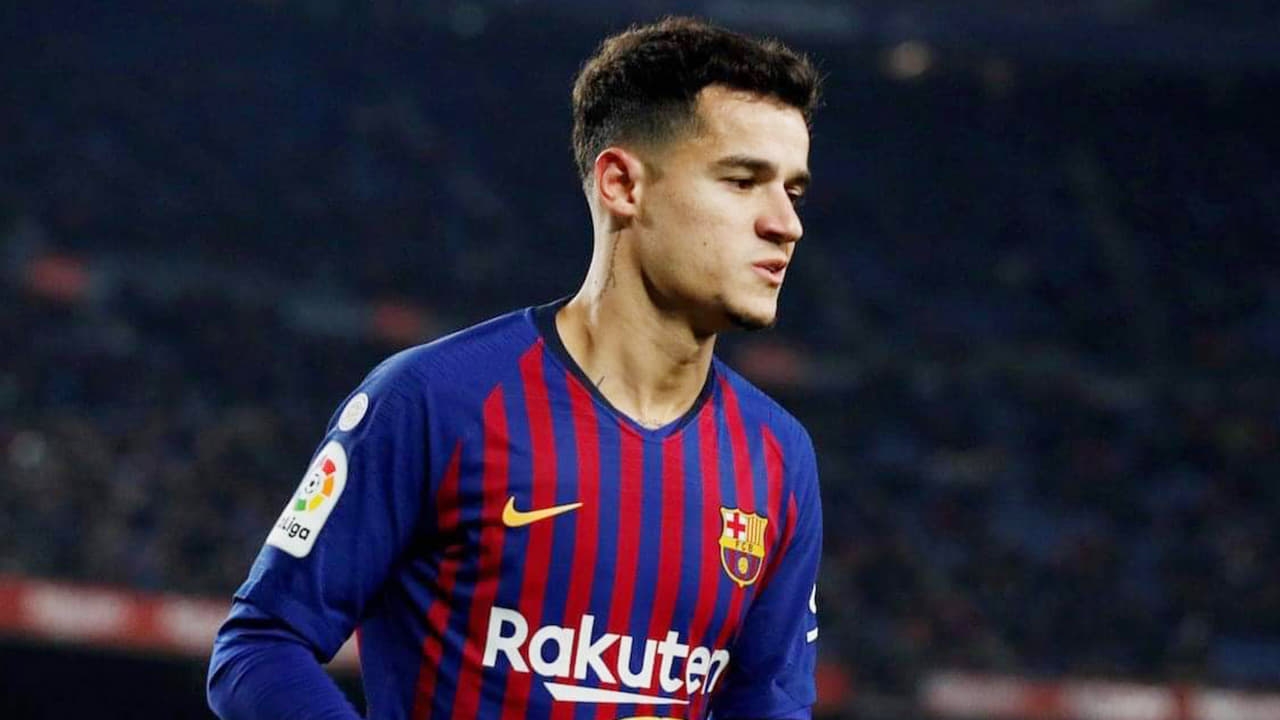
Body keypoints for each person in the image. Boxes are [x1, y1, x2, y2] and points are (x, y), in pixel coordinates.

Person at [208, 16, 823, 720]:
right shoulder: (434, 401)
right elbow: (261, 646)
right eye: (743, 181)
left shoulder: (780, 458)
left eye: (793, 192)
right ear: (623, 184)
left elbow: (770, 705)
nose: (786, 224)